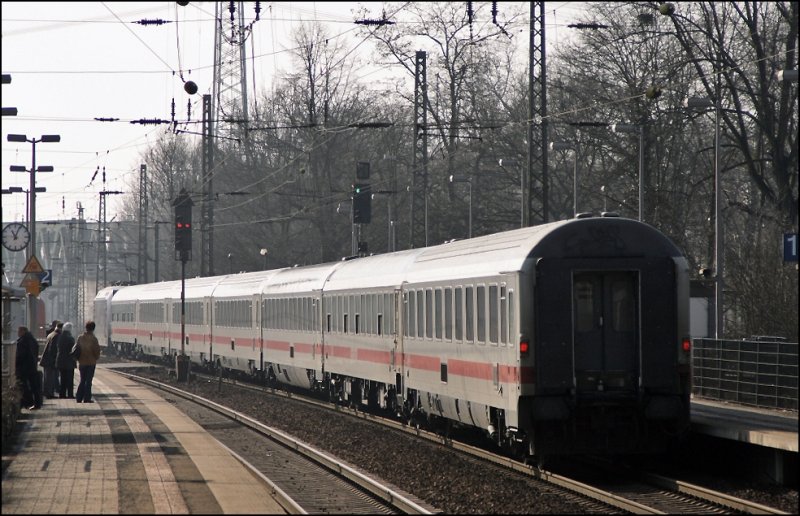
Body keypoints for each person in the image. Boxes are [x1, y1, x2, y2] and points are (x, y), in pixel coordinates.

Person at [15, 326, 43, 410]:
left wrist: (17, 363)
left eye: (19, 331)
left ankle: (27, 402)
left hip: (24, 367)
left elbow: (20, 355)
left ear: (23, 331)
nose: (18, 333)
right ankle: (36, 403)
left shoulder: (23, 341)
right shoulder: (32, 340)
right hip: (32, 366)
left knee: (23, 385)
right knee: (34, 386)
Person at [75, 321, 101, 403]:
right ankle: (87, 398)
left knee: (82, 380)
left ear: (86, 328)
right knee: (88, 381)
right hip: (91, 363)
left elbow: (76, 348)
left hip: (82, 362)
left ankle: (79, 397)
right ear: (93, 329)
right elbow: (96, 351)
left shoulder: (80, 337)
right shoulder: (93, 339)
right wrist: (96, 357)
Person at [40, 320, 62, 399]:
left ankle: (47, 393)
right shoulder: (56, 336)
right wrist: (55, 360)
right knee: (50, 378)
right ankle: (49, 394)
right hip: (50, 361)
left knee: (47, 378)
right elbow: (53, 349)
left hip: (46, 359)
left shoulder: (51, 334)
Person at [55, 322, 77, 399]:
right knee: (69, 379)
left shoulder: (60, 337)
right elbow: (73, 350)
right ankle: (70, 394)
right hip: (69, 361)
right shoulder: (70, 338)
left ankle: (62, 394)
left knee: (62, 378)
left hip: (60, 360)